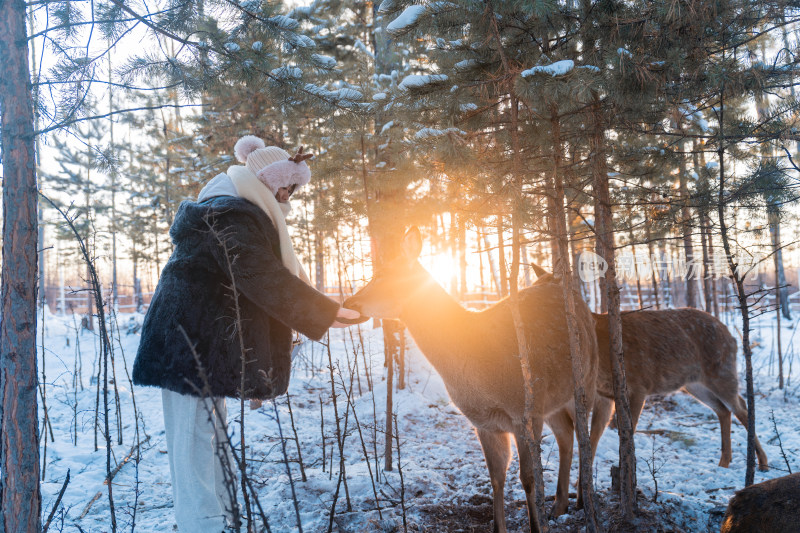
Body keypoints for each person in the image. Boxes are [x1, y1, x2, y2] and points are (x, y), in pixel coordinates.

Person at [131, 135, 360, 532]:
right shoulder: (228, 213)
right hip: (186, 346)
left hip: (199, 345)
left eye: (293, 190)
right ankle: (202, 525)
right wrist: (323, 311)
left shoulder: (232, 209)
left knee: (207, 438)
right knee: (194, 444)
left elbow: (245, 293)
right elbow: (258, 276)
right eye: (286, 187)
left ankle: (220, 520)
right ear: (266, 179)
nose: (288, 198)